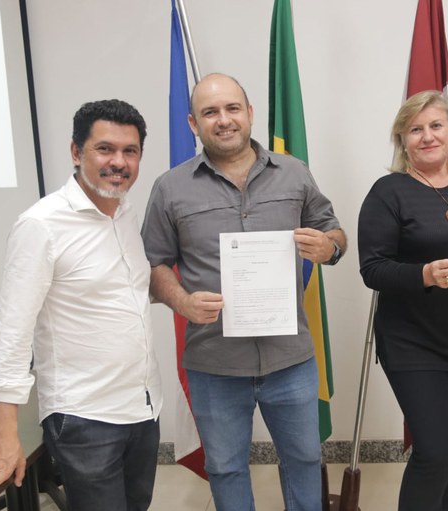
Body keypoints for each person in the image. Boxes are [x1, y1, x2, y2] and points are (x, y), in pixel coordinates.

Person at [141, 73, 346, 511]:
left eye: (232, 108)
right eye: (210, 112)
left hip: (290, 358)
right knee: (227, 468)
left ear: (250, 114)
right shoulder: (170, 188)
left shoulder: (293, 173)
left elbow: (334, 231)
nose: (224, 120)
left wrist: (329, 247)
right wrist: (181, 301)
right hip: (214, 363)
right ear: (194, 124)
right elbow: (154, 264)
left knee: (305, 460)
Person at [0, 99, 163, 510]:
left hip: (143, 408)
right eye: (105, 149)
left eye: (130, 151)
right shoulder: (41, 226)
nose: (118, 162)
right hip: (85, 419)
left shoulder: (124, 214)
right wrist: (4, 437)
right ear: (75, 151)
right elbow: (12, 336)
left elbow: (124, 297)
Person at [357, 90, 448, 511]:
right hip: (410, 342)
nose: (427, 136)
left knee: (447, 453)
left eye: (435, 125)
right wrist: (425, 274)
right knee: (434, 452)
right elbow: (372, 269)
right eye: (415, 129)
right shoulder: (389, 192)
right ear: (402, 139)